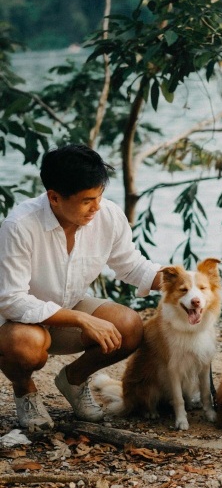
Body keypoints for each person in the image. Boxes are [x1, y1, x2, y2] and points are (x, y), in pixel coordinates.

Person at [0, 144, 162, 431]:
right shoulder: (19, 226)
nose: (96, 207)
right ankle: (25, 391)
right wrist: (80, 319)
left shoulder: (107, 215)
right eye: (87, 200)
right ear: (54, 198)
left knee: (130, 326)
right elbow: (12, 300)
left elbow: (130, 265)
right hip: (17, 323)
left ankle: (73, 380)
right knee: (25, 347)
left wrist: (183, 283)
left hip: (70, 305)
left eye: (99, 196)